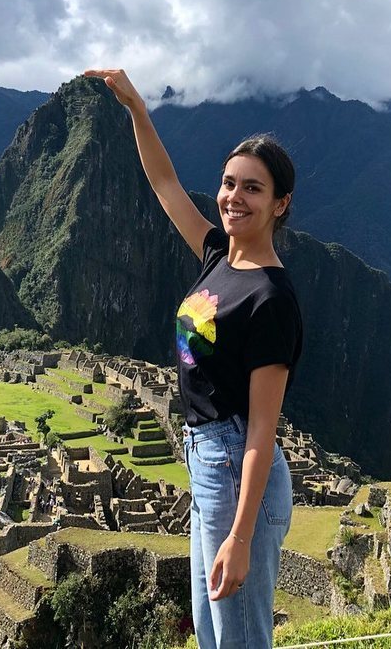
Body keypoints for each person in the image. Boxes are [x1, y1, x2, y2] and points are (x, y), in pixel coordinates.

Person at [83, 68, 303, 648]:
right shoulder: (218, 258)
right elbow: (164, 185)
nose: (234, 198)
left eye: (253, 188)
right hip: (207, 460)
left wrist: (240, 533)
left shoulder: (271, 300)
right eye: (229, 184)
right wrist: (136, 108)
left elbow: (262, 430)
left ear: (281, 204)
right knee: (210, 632)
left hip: (235, 467)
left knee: (240, 638)